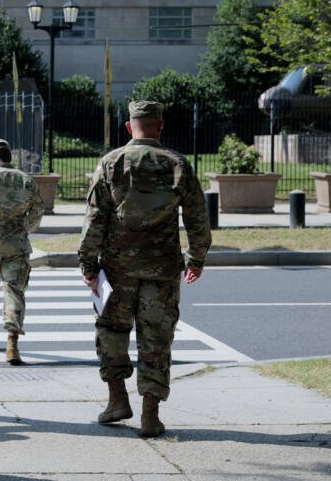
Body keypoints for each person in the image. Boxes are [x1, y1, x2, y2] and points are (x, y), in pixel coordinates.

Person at [78, 100, 211, 438]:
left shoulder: (111, 162)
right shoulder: (177, 164)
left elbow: (95, 217)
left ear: (128, 126)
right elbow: (197, 217)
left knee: (111, 331)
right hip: (162, 269)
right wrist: (196, 258)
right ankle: (150, 414)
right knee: (156, 338)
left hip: (116, 268)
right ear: (160, 126)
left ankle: (117, 400)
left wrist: (88, 263)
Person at [0, 139, 44, 365]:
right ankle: (12, 342)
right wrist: (23, 229)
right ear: (10, 156)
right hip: (16, 243)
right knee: (15, 291)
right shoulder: (25, 180)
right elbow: (37, 213)